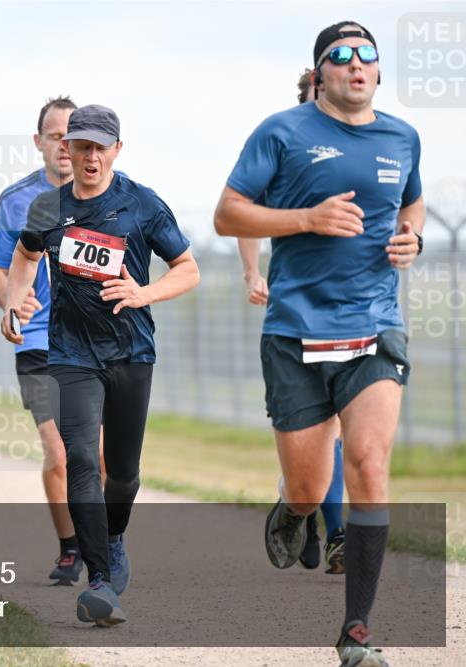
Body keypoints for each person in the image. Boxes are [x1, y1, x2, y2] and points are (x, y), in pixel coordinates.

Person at [214, 21, 424, 666]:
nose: (356, 65)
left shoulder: (403, 137)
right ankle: (296, 506)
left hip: (374, 328)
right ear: (321, 72)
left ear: (379, 73)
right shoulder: (281, 131)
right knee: (311, 485)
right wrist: (305, 219)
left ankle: (355, 632)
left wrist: (410, 239)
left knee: (367, 465)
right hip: (295, 331)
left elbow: (411, 204)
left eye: (368, 56)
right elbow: (227, 213)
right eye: (341, 57)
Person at [1, 105, 200, 626]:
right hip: (70, 354)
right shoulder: (48, 208)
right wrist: (15, 300)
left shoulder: (142, 204)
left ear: (117, 149)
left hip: (131, 352)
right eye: (80, 146)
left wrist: (144, 292)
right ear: (66, 149)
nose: (90, 156)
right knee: (81, 460)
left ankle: (112, 539)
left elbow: (188, 269)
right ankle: (100, 581)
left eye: (100, 147)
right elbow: (24, 255)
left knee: (125, 476)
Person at [236, 68, 346, 575]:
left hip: (356, 312)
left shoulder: (365, 151)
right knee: (315, 438)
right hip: (296, 314)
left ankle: (341, 533)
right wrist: (253, 272)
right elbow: (241, 211)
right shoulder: (284, 149)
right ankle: (300, 506)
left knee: (344, 430)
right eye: (312, 98)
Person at [0, 96, 91, 585]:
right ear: (39, 142)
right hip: (38, 346)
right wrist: (12, 302)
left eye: (73, 137)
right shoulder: (17, 200)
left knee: (99, 457)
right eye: (55, 137)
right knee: (59, 452)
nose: (64, 147)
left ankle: (103, 543)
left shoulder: (107, 197)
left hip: (93, 345)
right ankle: (71, 549)